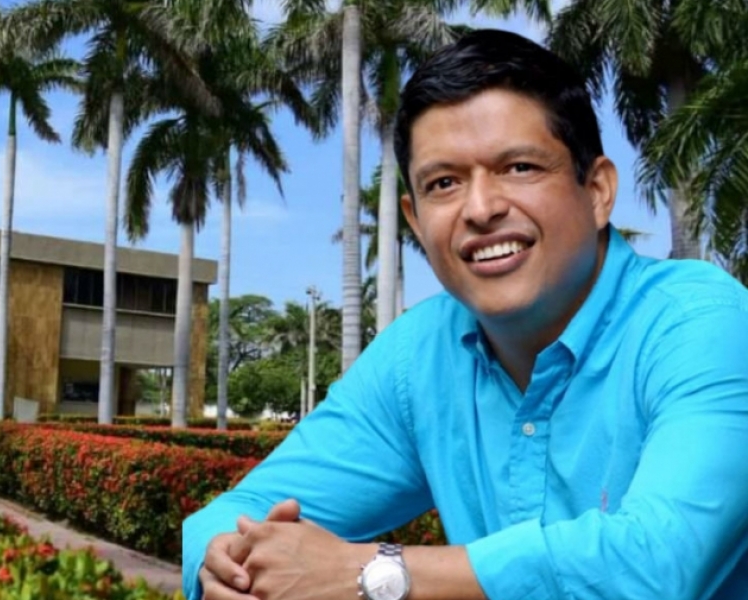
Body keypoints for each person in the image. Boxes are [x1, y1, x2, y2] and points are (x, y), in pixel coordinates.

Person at [182, 28, 748, 600]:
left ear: (598, 191)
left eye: (520, 167)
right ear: (414, 218)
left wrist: (375, 576)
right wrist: (226, 567)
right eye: (444, 183)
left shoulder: (701, 323)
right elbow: (230, 518)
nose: (481, 209)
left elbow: (659, 564)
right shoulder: (418, 356)